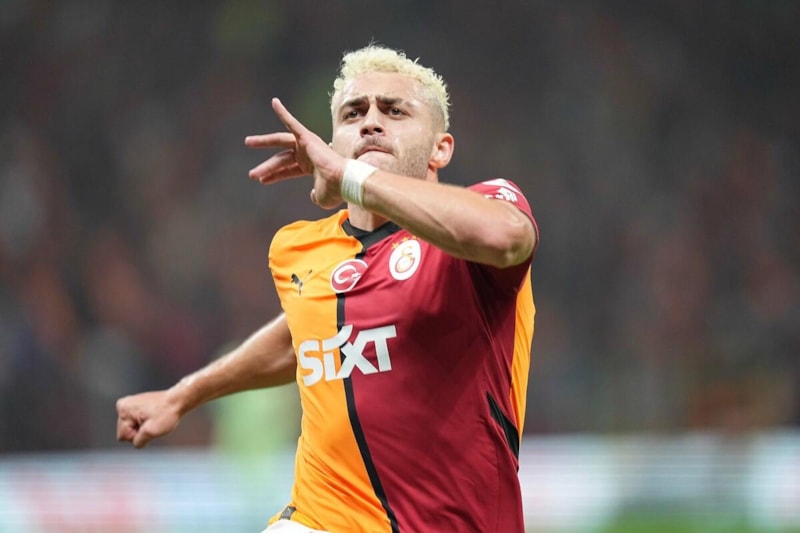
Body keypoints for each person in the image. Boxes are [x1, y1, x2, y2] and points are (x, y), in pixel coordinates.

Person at [116, 44, 539, 533]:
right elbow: (304, 334)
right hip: (321, 519)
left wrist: (351, 177)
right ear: (334, 142)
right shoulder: (298, 249)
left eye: (394, 111)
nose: (371, 123)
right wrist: (182, 396)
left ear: (440, 148)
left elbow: (507, 238)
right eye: (353, 113)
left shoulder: (484, 215)